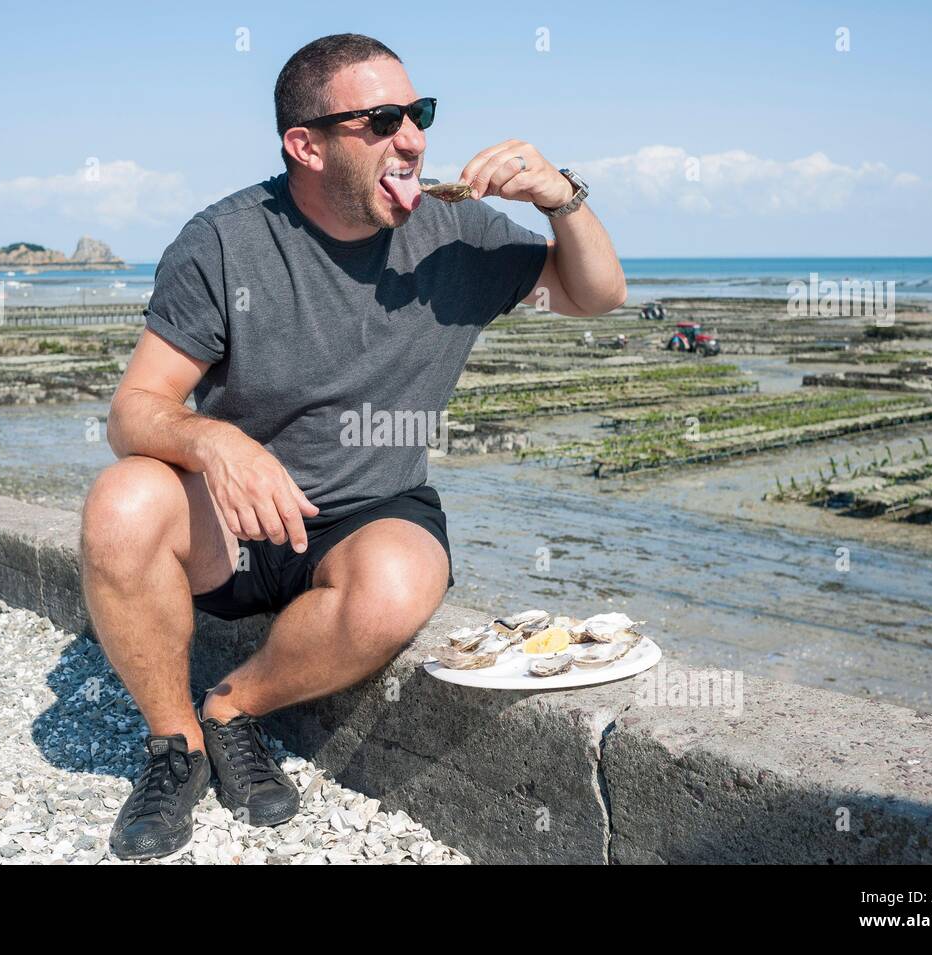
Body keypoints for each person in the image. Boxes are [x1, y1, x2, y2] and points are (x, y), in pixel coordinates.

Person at [79, 33, 626, 859]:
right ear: (305, 144)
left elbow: (595, 294)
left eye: (418, 114)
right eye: (381, 120)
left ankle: (230, 709)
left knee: (404, 579)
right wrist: (216, 441)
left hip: (369, 511)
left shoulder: (455, 234)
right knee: (120, 502)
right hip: (234, 521)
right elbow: (133, 411)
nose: (412, 138)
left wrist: (563, 199)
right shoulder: (225, 240)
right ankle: (174, 745)